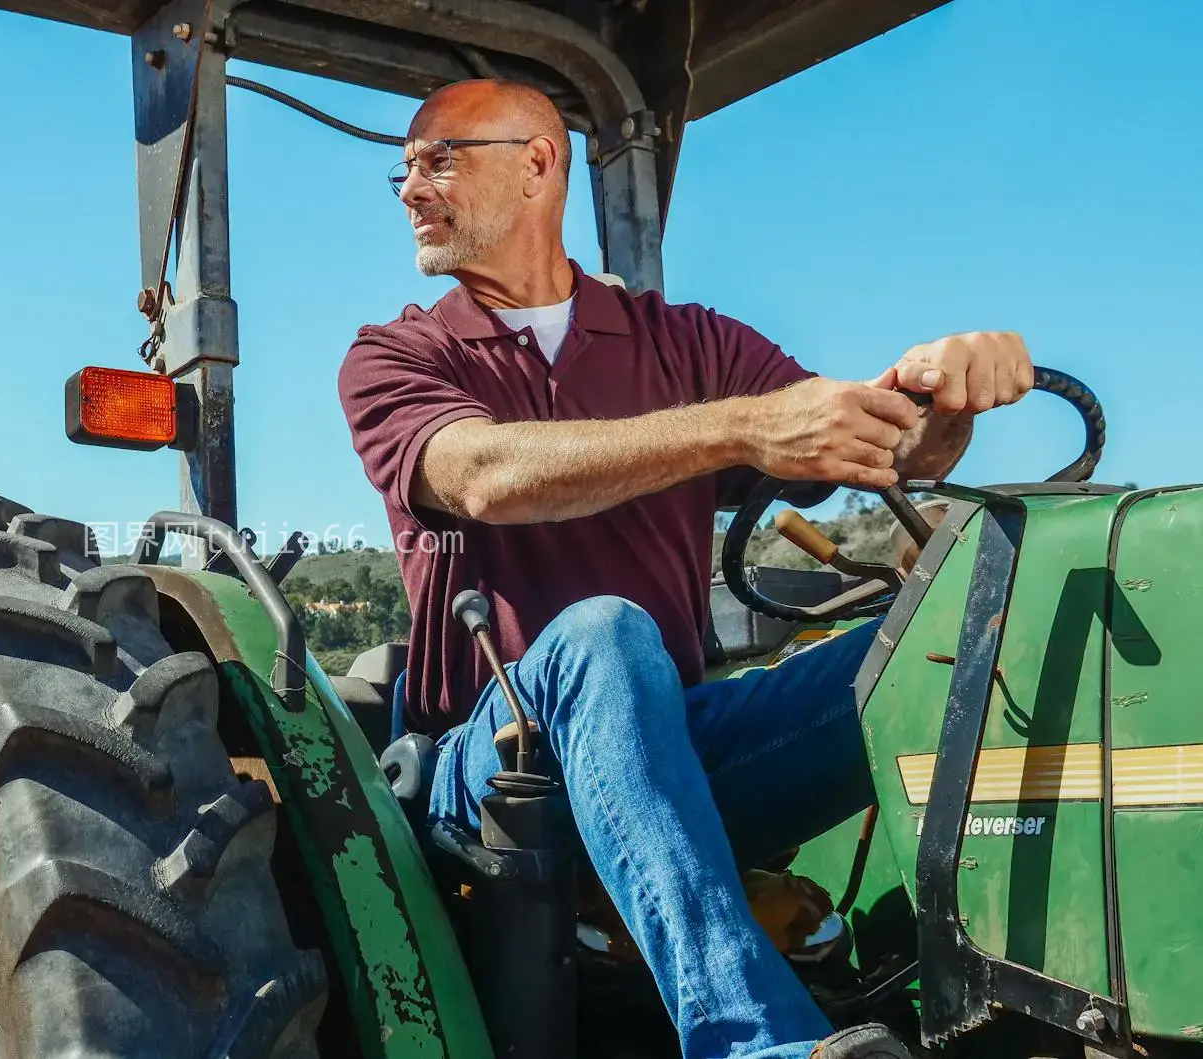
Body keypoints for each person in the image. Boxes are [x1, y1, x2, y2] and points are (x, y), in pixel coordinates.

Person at [337, 78, 1033, 1059]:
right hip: (485, 762)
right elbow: (485, 476)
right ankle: (756, 1045)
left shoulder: (688, 344)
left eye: (437, 158)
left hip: (670, 746)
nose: (409, 187)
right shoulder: (396, 356)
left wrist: (944, 399)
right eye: (401, 169)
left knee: (952, 640)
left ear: (537, 163)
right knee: (603, 633)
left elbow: (867, 445)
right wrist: (741, 426)